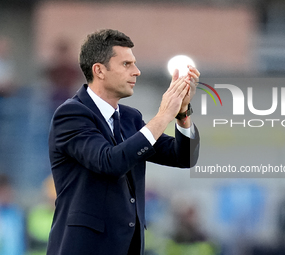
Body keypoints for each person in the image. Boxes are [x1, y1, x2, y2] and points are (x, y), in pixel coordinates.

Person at [47, 29, 200, 255]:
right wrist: (163, 116)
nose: (136, 71)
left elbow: (184, 157)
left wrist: (182, 113)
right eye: (126, 64)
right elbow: (110, 162)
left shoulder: (131, 118)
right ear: (99, 70)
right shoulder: (71, 115)